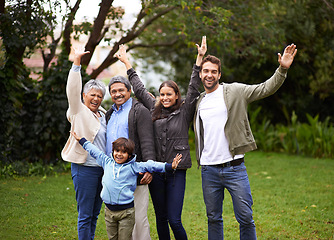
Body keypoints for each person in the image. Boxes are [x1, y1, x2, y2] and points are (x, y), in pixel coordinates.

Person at [193, 43, 297, 240]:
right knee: (213, 218)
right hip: (208, 170)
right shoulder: (199, 101)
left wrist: (282, 69)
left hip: (235, 168)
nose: (209, 75)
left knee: (245, 218)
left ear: (219, 75)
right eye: (205, 71)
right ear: (200, 74)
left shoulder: (235, 91)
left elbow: (265, 88)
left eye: (213, 72)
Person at [115, 36, 207, 240]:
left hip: (177, 172)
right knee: (161, 218)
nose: (165, 98)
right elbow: (138, 88)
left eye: (169, 94)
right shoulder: (154, 109)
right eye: (162, 94)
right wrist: (126, 63)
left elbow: (193, 88)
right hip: (157, 171)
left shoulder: (185, 111)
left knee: (174, 219)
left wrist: (199, 60)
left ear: (176, 96)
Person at [70, 131, 182, 240]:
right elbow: (94, 151)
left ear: (129, 155)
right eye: (116, 151)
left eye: (123, 152)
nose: (119, 154)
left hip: (126, 213)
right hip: (109, 212)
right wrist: (82, 141)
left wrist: (169, 166)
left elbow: (150, 165)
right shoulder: (107, 162)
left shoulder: (133, 167)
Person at [61, 46, 107, 240]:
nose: (96, 98)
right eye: (92, 95)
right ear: (84, 96)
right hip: (84, 168)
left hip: (102, 170)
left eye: (99, 95)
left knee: (95, 214)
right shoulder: (78, 110)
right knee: (85, 215)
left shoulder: (104, 114)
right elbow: (72, 89)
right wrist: (76, 64)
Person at [105, 73, 156, 239]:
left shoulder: (139, 110)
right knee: (120, 221)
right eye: (113, 91)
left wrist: (149, 168)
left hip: (135, 173)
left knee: (138, 218)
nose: (117, 94)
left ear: (129, 91)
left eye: (121, 90)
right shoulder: (109, 113)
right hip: (114, 176)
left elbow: (147, 141)